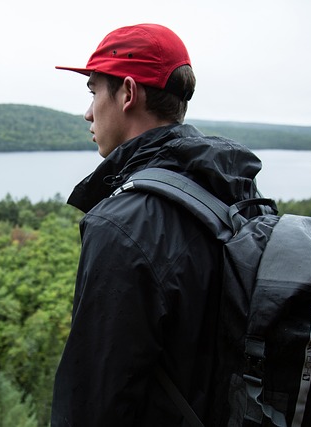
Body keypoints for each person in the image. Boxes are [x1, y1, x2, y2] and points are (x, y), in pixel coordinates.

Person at [51, 24, 266, 426]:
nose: (87, 111)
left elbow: (91, 404)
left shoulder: (121, 227)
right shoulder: (235, 193)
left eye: (94, 91)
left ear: (128, 93)